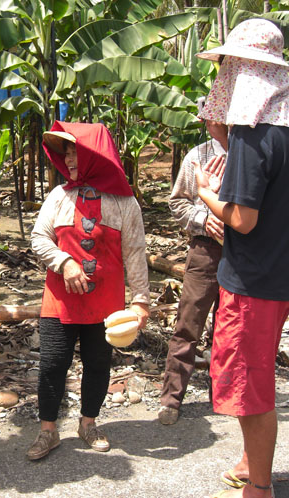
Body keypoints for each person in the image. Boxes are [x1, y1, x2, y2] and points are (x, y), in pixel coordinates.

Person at [195, 18, 289, 498]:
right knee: (259, 372)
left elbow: (245, 219)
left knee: (251, 387)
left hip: (254, 279)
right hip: (281, 270)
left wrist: (208, 194)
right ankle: (253, 458)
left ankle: (259, 485)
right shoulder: (281, 128)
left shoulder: (254, 134)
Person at [27, 121, 150, 460]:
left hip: (106, 303)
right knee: (53, 363)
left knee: (98, 363)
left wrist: (140, 300)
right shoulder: (58, 196)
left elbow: (135, 253)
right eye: (66, 155)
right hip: (59, 300)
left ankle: (88, 423)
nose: (69, 162)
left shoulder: (125, 203)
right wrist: (64, 262)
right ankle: (47, 431)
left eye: (76, 155)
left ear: (96, 157)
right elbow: (39, 238)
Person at [158, 118, 228, 426]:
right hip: (206, 250)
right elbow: (178, 204)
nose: (217, 124)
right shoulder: (197, 156)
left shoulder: (249, 154)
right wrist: (204, 218)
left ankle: (223, 395)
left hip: (245, 251)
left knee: (229, 328)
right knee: (189, 323)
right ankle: (172, 398)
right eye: (211, 119)